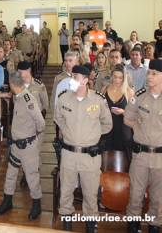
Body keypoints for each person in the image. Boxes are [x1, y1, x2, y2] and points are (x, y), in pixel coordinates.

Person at [54, 65, 113, 232]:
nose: (72, 80)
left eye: (76, 77)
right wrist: (67, 131)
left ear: (86, 80)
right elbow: (58, 118)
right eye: (72, 76)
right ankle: (66, 222)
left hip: (90, 156)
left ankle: (90, 224)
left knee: (90, 193)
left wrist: (92, 136)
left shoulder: (98, 100)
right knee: (65, 191)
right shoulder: (64, 98)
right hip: (69, 154)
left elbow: (107, 124)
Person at [0, 72, 45, 220]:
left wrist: (30, 135)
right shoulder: (17, 97)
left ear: (12, 84)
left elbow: (41, 123)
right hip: (16, 146)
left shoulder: (28, 99)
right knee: (11, 174)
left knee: (31, 176)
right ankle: (8, 200)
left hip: (27, 146)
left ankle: (37, 204)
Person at [124, 59, 162, 233]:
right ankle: (133, 225)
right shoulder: (139, 96)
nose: (149, 76)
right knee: (135, 194)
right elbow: (127, 118)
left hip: (160, 157)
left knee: (158, 198)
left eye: (154, 74)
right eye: (149, 73)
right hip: (140, 155)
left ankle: (154, 225)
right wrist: (139, 127)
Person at [100, 65, 134, 161]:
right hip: (107, 130)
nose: (117, 80)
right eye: (115, 77)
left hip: (123, 131)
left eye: (120, 78)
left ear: (124, 78)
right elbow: (98, 109)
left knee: (125, 162)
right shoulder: (104, 89)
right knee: (106, 161)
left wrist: (123, 112)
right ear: (111, 76)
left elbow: (134, 114)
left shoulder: (129, 92)